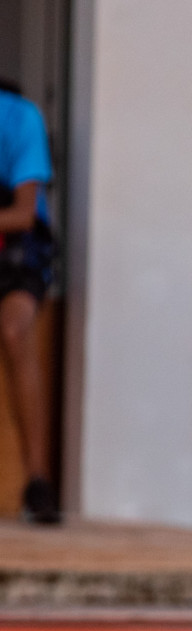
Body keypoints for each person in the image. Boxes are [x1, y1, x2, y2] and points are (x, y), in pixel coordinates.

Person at [0, 80, 60, 524]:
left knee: (15, 329)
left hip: (17, 247)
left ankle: (37, 481)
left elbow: (23, 213)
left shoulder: (20, 117)